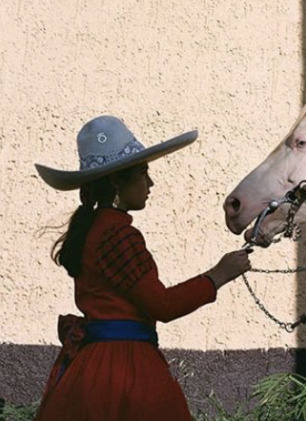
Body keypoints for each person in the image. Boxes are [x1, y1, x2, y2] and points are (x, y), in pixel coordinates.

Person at [33, 115, 251, 421]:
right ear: (116, 182)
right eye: (143, 173)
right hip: (126, 371)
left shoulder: (93, 228)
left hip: (91, 368)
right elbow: (162, 305)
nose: (150, 183)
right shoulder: (117, 234)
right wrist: (219, 275)